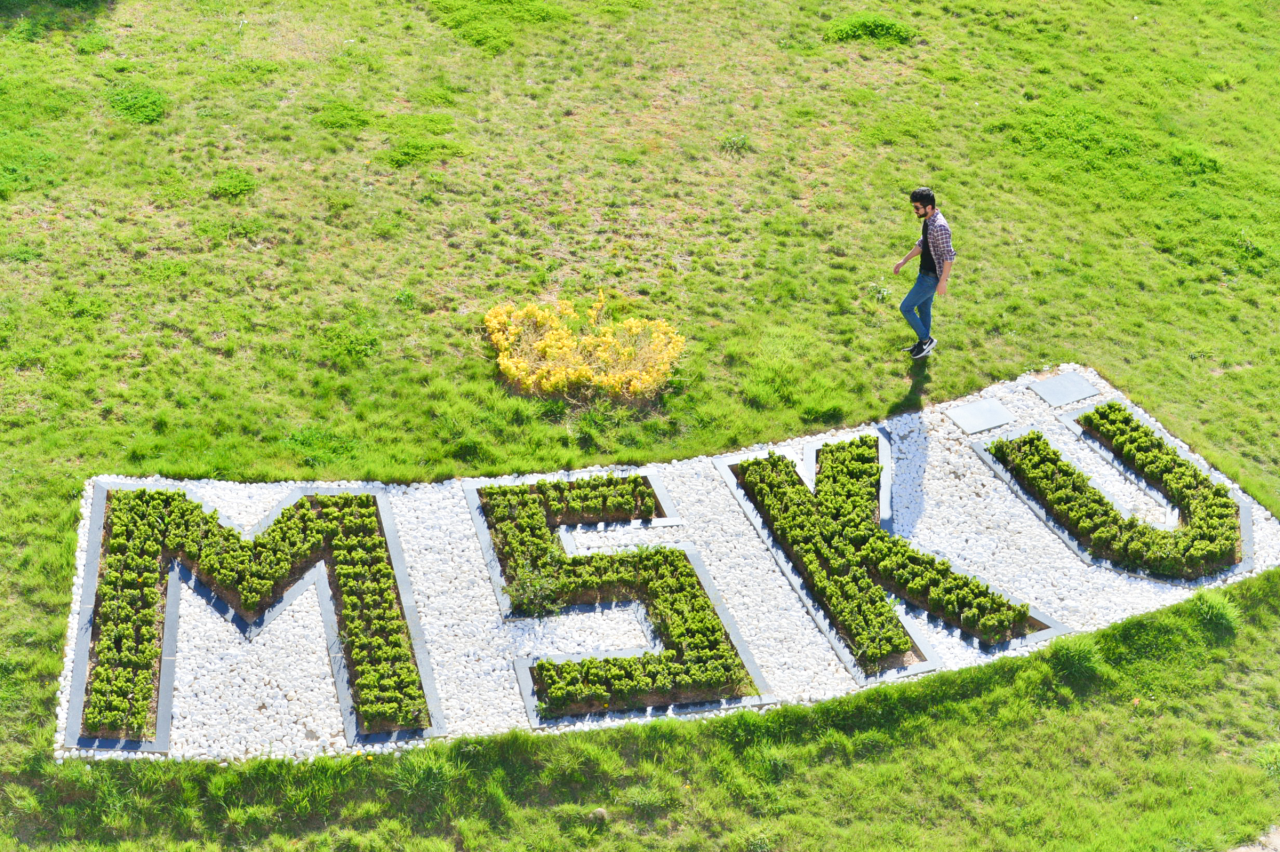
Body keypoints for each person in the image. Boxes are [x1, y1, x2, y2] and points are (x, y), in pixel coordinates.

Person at [892, 187, 955, 358]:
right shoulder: (928, 220)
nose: (914, 211)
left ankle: (926, 341)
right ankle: (924, 345)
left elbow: (949, 256)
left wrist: (943, 281)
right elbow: (922, 243)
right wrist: (903, 261)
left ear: (928, 207)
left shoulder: (940, 227)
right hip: (924, 273)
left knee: (906, 308)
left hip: (931, 278)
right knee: (923, 308)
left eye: (917, 208)